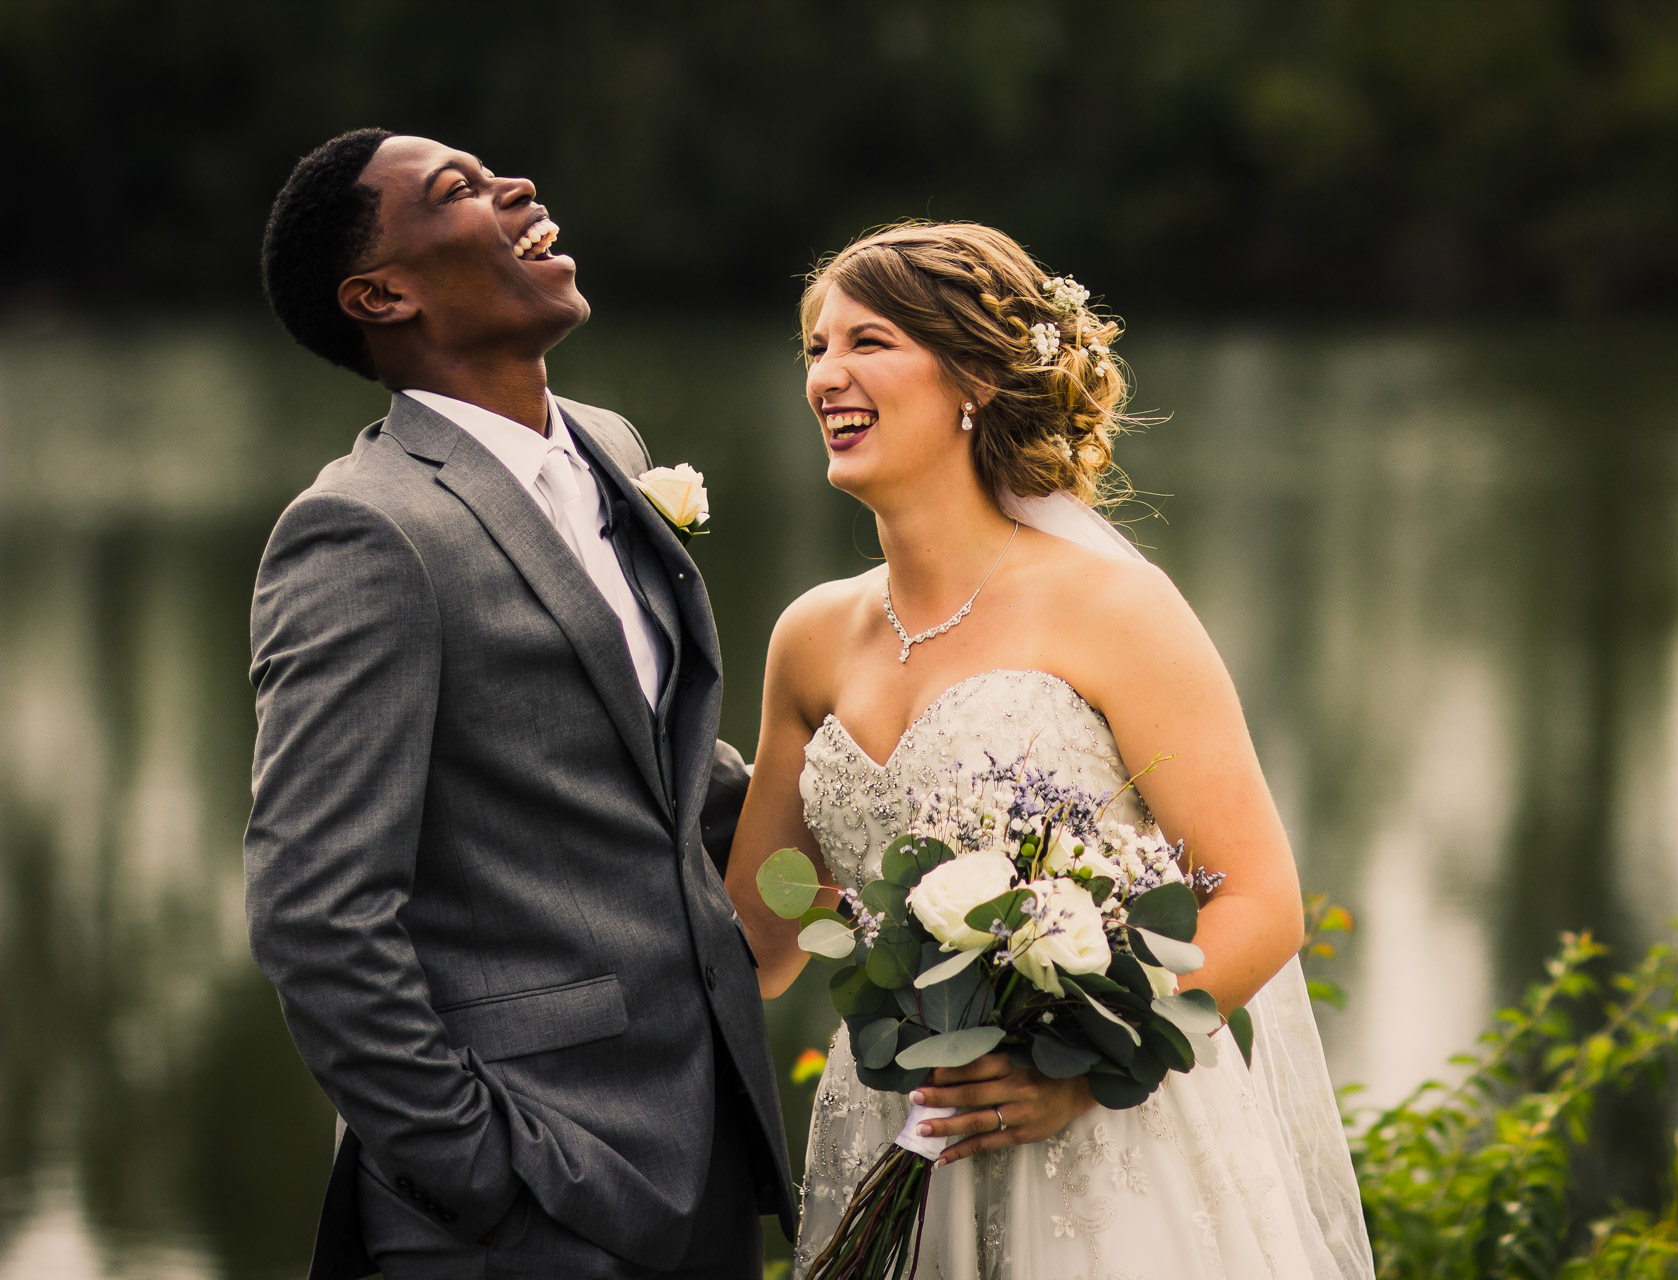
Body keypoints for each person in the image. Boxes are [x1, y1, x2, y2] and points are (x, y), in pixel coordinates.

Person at [726, 222, 1375, 1278]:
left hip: (1103, 1141)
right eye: (815, 348)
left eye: (868, 342)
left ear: (974, 373)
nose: (827, 376)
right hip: (900, 1122)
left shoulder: (1112, 610)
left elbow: (1261, 900)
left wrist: (1083, 1070)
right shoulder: (809, 638)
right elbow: (759, 936)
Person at [246, 128, 793, 1280]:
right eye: (459, 190)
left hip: (709, 1161)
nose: (517, 187)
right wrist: (489, 1177)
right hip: (527, 1210)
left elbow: (646, 771)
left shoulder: (607, 446)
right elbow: (318, 915)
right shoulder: (364, 533)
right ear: (381, 293)